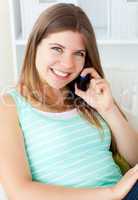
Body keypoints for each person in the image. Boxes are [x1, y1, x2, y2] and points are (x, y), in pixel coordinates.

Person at [0, 3, 138, 200]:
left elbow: (135, 159)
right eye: (57, 49)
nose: (67, 64)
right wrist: (111, 193)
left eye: (78, 54)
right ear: (35, 45)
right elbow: (19, 191)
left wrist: (108, 109)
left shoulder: (87, 93)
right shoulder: (10, 106)